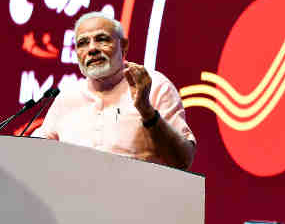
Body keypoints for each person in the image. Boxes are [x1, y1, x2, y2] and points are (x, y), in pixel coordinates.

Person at [34, 12, 196, 170]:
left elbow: (182, 160)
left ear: (123, 46)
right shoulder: (67, 98)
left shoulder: (154, 85)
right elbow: (34, 155)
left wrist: (147, 111)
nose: (92, 49)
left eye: (102, 39)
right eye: (82, 43)